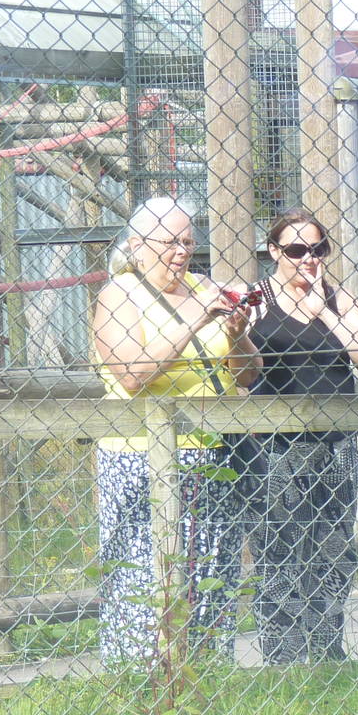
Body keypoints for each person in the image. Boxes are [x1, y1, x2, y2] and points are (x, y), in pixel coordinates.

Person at [91, 196, 261, 663]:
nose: (182, 251)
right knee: (146, 573)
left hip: (215, 454)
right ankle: (137, 671)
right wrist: (197, 316)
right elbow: (132, 373)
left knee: (212, 570)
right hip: (141, 457)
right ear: (137, 245)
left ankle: (208, 668)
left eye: (187, 241)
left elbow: (248, 374)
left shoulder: (203, 288)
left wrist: (237, 334)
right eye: (169, 242)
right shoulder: (120, 295)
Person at [246, 209, 358, 663]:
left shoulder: (337, 298)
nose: (308, 259)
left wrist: (323, 311)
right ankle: (283, 661)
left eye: (317, 249)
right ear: (274, 251)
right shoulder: (255, 300)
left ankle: (327, 654)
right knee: (279, 552)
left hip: (336, 444)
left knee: (333, 550)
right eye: (296, 250)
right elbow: (238, 369)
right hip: (274, 447)